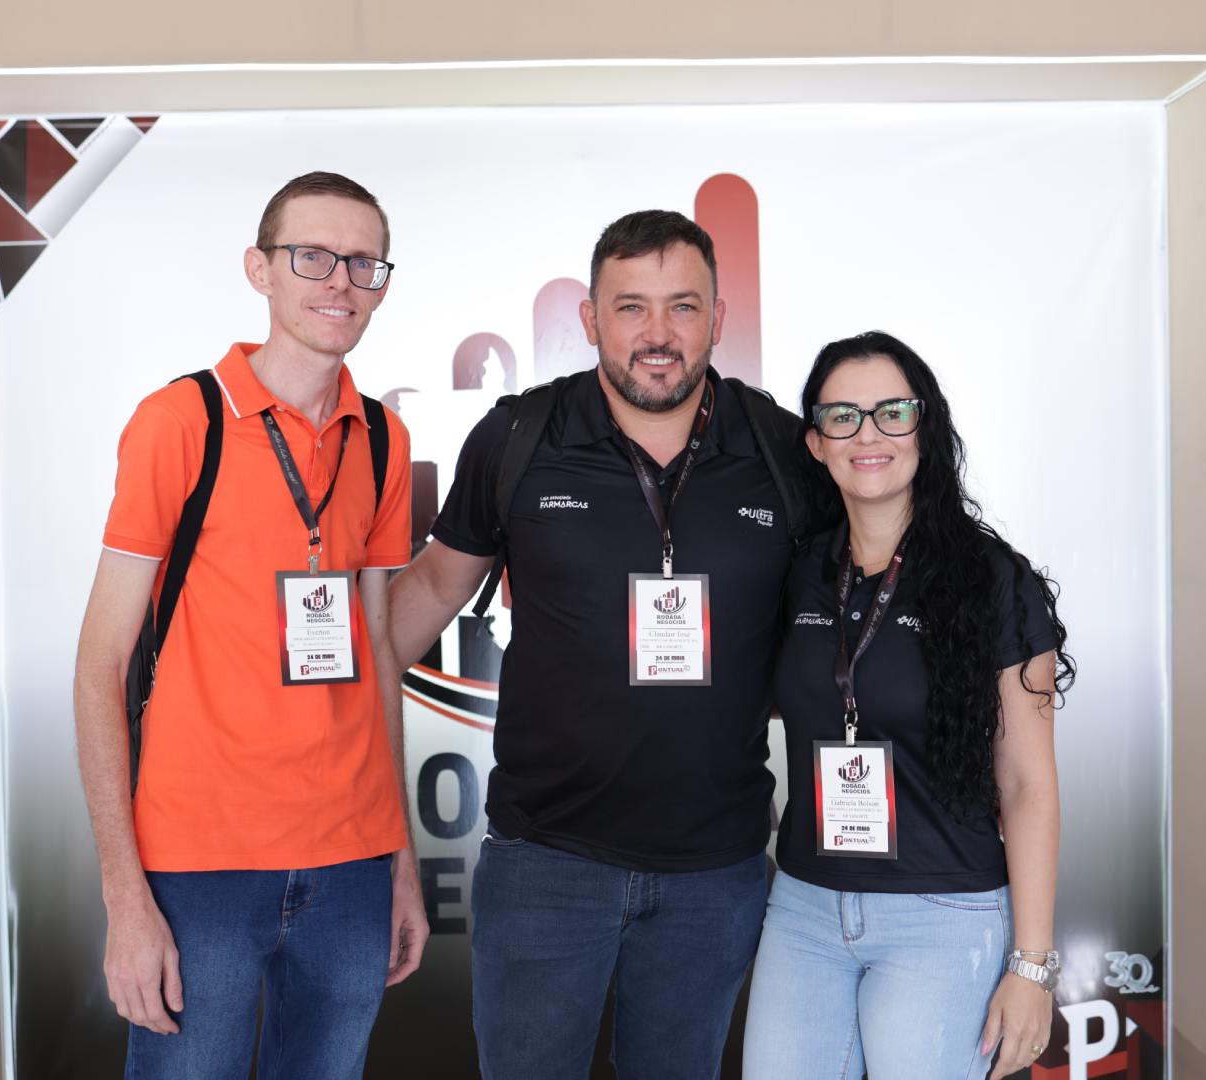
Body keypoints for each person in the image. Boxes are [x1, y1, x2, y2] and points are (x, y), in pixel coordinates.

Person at [388, 210, 803, 1079]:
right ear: (589, 319)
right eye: (631, 307)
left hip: (714, 871)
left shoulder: (779, 451)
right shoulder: (518, 438)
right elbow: (427, 592)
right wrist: (305, 696)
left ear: (719, 319)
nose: (659, 334)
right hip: (546, 865)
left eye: (683, 306)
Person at [73, 171, 428, 1079]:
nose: (340, 281)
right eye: (312, 256)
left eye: (363, 263)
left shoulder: (383, 438)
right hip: (198, 864)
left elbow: (378, 656)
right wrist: (124, 896)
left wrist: (400, 858)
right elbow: (100, 664)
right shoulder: (179, 422)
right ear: (259, 270)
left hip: (352, 863)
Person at [741, 331, 1074, 1080]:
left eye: (892, 412)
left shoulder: (994, 581)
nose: (868, 435)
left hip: (943, 916)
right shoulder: (795, 575)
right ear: (816, 443)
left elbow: (1026, 783)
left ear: (925, 426)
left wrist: (1031, 966)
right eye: (842, 417)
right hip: (803, 911)